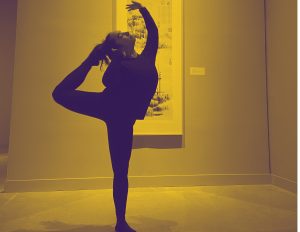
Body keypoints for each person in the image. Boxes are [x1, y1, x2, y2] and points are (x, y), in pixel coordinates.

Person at [52, 1, 158, 232]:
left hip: (123, 120)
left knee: (121, 171)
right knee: (59, 94)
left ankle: (121, 222)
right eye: (119, 35)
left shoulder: (147, 56)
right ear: (117, 46)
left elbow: (154, 31)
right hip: (108, 106)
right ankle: (88, 61)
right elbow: (108, 82)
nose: (124, 31)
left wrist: (143, 9)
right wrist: (106, 58)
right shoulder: (119, 64)